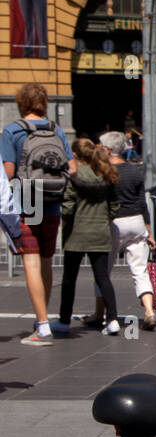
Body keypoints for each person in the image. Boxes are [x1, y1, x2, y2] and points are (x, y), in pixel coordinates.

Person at [0, 81, 73, 345]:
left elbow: (7, 172)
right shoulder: (56, 129)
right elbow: (71, 166)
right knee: (45, 259)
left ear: (21, 102)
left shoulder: (12, 130)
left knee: (30, 260)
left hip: (27, 197)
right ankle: (41, 319)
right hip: (53, 197)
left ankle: (42, 326)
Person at [83, 132, 156, 331]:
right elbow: (142, 202)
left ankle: (100, 313)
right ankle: (149, 311)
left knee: (103, 271)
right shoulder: (134, 171)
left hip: (114, 223)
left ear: (107, 150)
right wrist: (149, 232)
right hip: (136, 221)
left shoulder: (104, 171)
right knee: (140, 270)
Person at [53, 140, 121, 337]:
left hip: (77, 231)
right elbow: (115, 204)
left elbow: (68, 205)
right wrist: (106, 220)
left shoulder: (74, 176)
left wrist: (65, 220)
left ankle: (64, 320)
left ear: (76, 155)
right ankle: (113, 319)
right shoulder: (105, 174)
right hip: (100, 230)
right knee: (102, 277)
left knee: (69, 278)